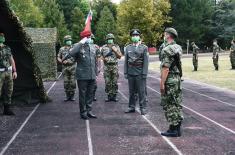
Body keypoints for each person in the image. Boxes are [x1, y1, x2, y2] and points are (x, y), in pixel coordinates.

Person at [62, 30, 100, 120]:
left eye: (90, 37)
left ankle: (89, 110)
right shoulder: (78, 46)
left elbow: (94, 60)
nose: (89, 39)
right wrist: (80, 43)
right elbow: (71, 53)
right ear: (83, 38)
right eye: (87, 37)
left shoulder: (93, 47)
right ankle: (83, 112)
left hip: (92, 74)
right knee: (83, 95)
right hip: (82, 75)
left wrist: (96, 72)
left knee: (90, 94)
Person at [160, 28, 183, 137]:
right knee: (176, 103)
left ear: (168, 35)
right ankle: (177, 128)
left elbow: (165, 68)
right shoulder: (177, 47)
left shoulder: (167, 49)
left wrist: (162, 83)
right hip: (177, 79)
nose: (164, 35)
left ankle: (173, 129)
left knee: (169, 104)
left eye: (165, 34)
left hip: (169, 80)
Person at [124, 29, 149, 115]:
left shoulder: (144, 48)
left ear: (139, 37)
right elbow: (126, 61)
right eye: (133, 35)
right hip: (131, 72)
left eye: (136, 35)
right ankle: (131, 107)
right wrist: (125, 72)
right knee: (131, 92)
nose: (135, 37)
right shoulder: (128, 48)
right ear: (131, 37)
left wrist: (144, 73)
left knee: (141, 92)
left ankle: (143, 108)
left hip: (140, 73)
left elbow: (146, 62)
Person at [101, 33, 122, 102]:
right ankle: (109, 96)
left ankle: (114, 96)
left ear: (113, 39)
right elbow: (100, 56)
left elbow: (120, 56)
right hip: (107, 66)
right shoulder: (104, 47)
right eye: (109, 39)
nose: (110, 40)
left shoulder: (116, 46)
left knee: (114, 82)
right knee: (107, 82)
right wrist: (104, 59)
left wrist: (115, 50)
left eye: (111, 39)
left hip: (114, 66)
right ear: (107, 40)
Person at [0, 32, 17, 115]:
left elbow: (11, 59)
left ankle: (7, 109)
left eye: (3, 36)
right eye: (0, 36)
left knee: (9, 90)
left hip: (8, 72)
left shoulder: (7, 48)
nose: (2, 38)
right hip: (0, 72)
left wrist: (14, 71)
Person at [57, 35, 76, 101]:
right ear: (65, 41)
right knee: (66, 82)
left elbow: (75, 57)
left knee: (72, 82)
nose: (69, 41)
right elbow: (58, 57)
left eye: (70, 40)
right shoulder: (61, 49)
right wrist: (61, 61)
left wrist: (68, 61)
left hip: (72, 67)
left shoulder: (74, 48)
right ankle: (67, 96)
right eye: (68, 40)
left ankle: (72, 95)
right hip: (65, 68)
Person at [90, 34, 100, 101]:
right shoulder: (83, 46)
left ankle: (93, 96)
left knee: (94, 84)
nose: (91, 40)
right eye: (90, 38)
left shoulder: (96, 47)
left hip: (94, 68)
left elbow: (99, 58)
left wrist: (99, 67)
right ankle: (88, 96)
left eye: (92, 38)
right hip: (86, 68)